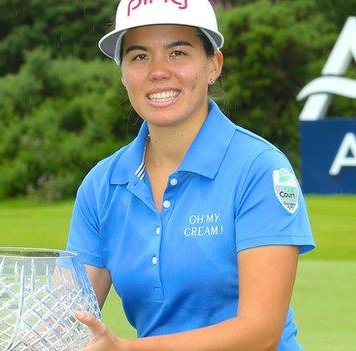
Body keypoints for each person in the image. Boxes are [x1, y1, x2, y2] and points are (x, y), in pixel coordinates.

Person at [67, 0, 315, 350]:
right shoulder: (102, 184)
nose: (158, 71)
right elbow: (71, 317)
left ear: (213, 64)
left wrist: (126, 349)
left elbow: (261, 332)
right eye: (139, 57)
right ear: (122, 73)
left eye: (178, 53)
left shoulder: (259, 169)